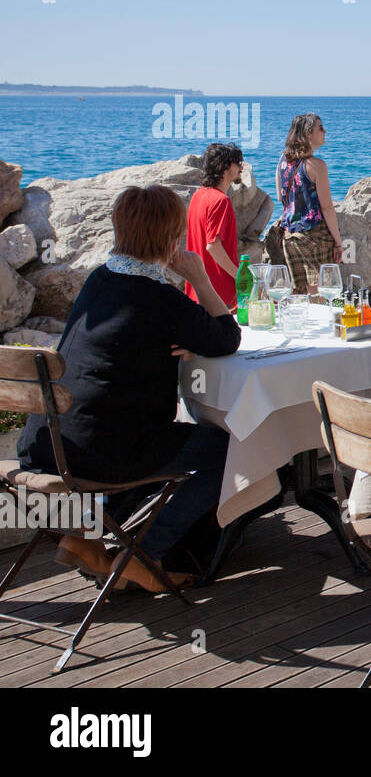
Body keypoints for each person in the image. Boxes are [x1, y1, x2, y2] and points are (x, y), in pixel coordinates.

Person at [17, 185, 241, 591]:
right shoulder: (159, 297)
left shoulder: (99, 281)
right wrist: (200, 277)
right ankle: (141, 556)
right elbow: (227, 338)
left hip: (48, 444)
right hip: (101, 454)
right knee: (228, 449)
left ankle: (83, 537)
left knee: (152, 442)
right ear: (171, 238)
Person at [267, 113, 343, 294]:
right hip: (314, 235)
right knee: (319, 292)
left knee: (298, 293)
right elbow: (327, 207)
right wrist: (339, 242)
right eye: (320, 128)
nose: (325, 131)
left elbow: (280, 196)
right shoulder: (317, 165)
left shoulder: (282, 161)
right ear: (308, 134)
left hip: (289, 235)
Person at [185, 142, 243, 309]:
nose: (241, 168)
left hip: (197, 289)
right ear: (225, 167)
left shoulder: (198, 195)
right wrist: (240, 275)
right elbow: (213, 247)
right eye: (237, 163)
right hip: (218, 293)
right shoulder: (220, 201)